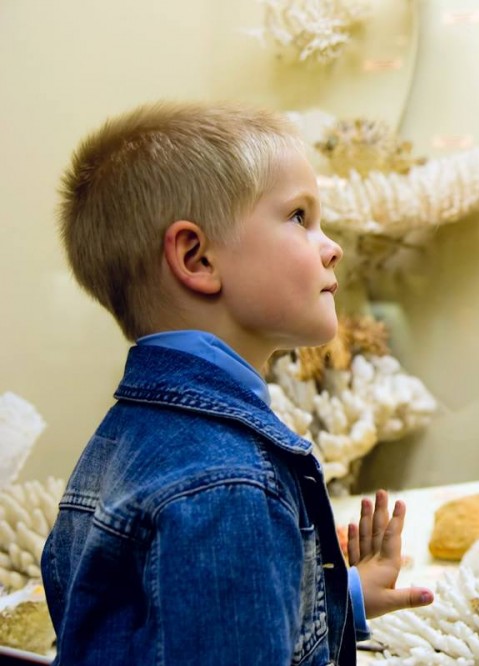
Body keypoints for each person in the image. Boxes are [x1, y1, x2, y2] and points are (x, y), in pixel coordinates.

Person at [40, 100, 433, 665]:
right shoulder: (226, 486)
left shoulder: (120, 442)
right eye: (300, 217)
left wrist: (346, 596)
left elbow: (141, 633)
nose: (333, 246)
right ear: (197, 259)